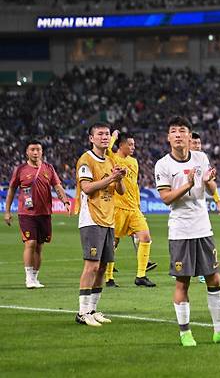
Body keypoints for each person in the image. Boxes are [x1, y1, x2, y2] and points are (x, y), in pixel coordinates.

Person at [154, 116, 220, 347]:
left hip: (203, 228)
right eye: (173, 131)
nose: (177, 135)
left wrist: (208, 181)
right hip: (181, 231)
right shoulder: (163, 165)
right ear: (168, 137)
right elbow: (165, 199)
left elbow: (209, 185)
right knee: (183, 282)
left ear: (188, 135)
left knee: (214, 278)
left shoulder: (201, 157)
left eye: (182, 131)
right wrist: (189, 184)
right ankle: (185, 333)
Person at [75, 123, 126, 327]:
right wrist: (111, 178)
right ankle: (82, 311)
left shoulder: (110, 160)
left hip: (108, 219)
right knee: (92, 265)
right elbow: (87, 188)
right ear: (91, 138)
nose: (105, 137)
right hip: (91, 219)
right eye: (100, 134)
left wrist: (119, 178)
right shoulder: (86, 160)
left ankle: (93, 309)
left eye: (107, 134)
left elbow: (119, 191)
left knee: (103, 266)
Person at [5, 140, 71, 289]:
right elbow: (11, 190)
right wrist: (8, 211)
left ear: (42, 152)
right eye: (32, 149)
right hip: (26, 213)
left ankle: (35, 277)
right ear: (27, 152)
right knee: (31, 243)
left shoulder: (48, 168)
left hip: (45, 213)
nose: (35, 152)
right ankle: (28, 278)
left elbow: (58, 186)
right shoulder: (20, 169)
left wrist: (66, 202)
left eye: (38, 150)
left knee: (39, 247)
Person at [103, 131, 156, 288]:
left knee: (145, 237)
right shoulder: (113, 158)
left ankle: (141, 275)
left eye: (134, 144)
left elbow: (134, 185)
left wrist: (138, 204)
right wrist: (113, 136)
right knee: (113, 243)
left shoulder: (134, 162)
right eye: (130, 144)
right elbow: (106, 149)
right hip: (118, 208)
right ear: (121, 145)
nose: (133, 147)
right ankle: (109, 277)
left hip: (134, 208)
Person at [189, 131, 220, 284]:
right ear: (188, 143)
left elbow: (210, 184)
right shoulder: (178, 161)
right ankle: (185, 269)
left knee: (203, 239)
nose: (197, 146)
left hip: (199, 208)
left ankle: (204, 271)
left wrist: (217, 200)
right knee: (187, 240)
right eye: (194, 143)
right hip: (183, 208)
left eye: (199, 143)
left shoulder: (203, 159)